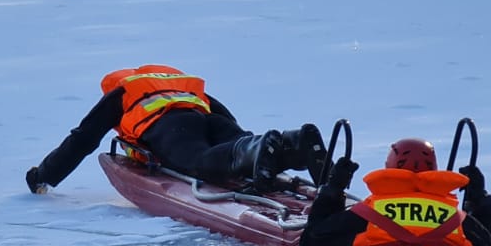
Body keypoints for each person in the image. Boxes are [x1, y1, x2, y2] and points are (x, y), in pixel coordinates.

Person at [25, 64, 326, 193]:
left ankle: (260, 148)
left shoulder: (124, 92)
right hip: (207, 118)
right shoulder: (185, 87)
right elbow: (226, 120)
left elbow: (83, 139)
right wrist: (253, 146)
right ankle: (295, 143)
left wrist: (44, 176)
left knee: (200, 163)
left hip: (169, 128)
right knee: (237, 143)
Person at [299, 137, 491, 246]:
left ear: (390, 167)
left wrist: (334, 189)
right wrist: (479, 200)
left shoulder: (370, 212)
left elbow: (312, 239)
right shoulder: (456, 217)